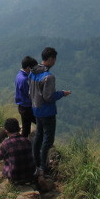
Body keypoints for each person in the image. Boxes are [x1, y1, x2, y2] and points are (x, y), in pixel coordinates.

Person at [30, 47, 71, 176]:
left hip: (36, 109)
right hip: (47, 112)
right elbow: (48, 97)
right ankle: (43, 167)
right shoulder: (49, 77)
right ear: (51, 59)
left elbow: (30, 91)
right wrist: (62, 94)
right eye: (54, 59)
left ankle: (35, 162)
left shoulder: (33, 72)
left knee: (38, 136)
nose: (55, 61)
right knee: (48, 139)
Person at [0, 117, 36, 184]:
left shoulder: (6, 143)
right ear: (19, 129)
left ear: (6, 131)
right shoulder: (27, 140)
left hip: (15, 177)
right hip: (30, 175)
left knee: (8, 157)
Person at [15, 56, 38, 138]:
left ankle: (23, 143)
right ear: (28, 68)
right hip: (27, 108)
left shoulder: (19, 75)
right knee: (42, 123)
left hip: (22, 106)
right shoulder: (24, 79)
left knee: (26, 129)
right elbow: (30, 95)